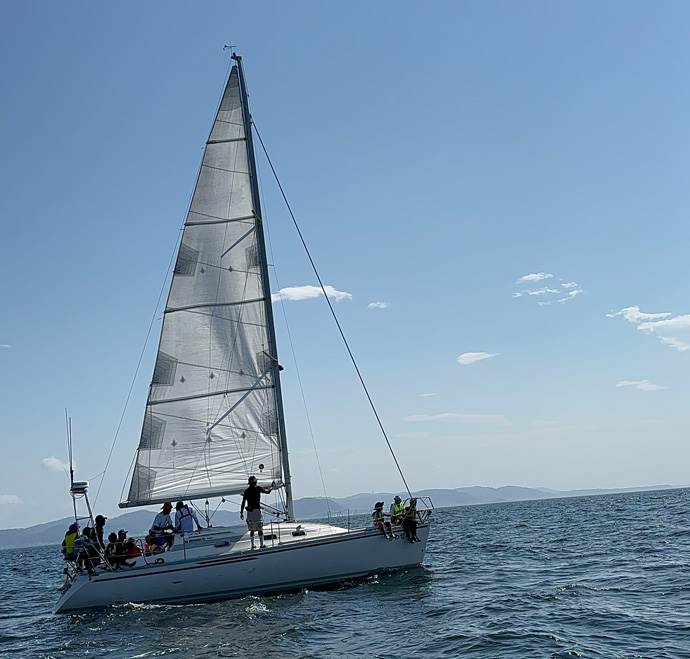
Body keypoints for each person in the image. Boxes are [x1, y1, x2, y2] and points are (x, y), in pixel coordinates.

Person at [240, 475, 274, 549]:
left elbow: (243, 503)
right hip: (256, 511)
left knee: (252, 529)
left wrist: (241, 513)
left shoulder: (246, 491)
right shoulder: (257, 488)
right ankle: (261, 545)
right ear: (255, 482)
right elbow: (267, 492)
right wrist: (271, 487)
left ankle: (252, 545)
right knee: (259, 528)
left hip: (249, 512)